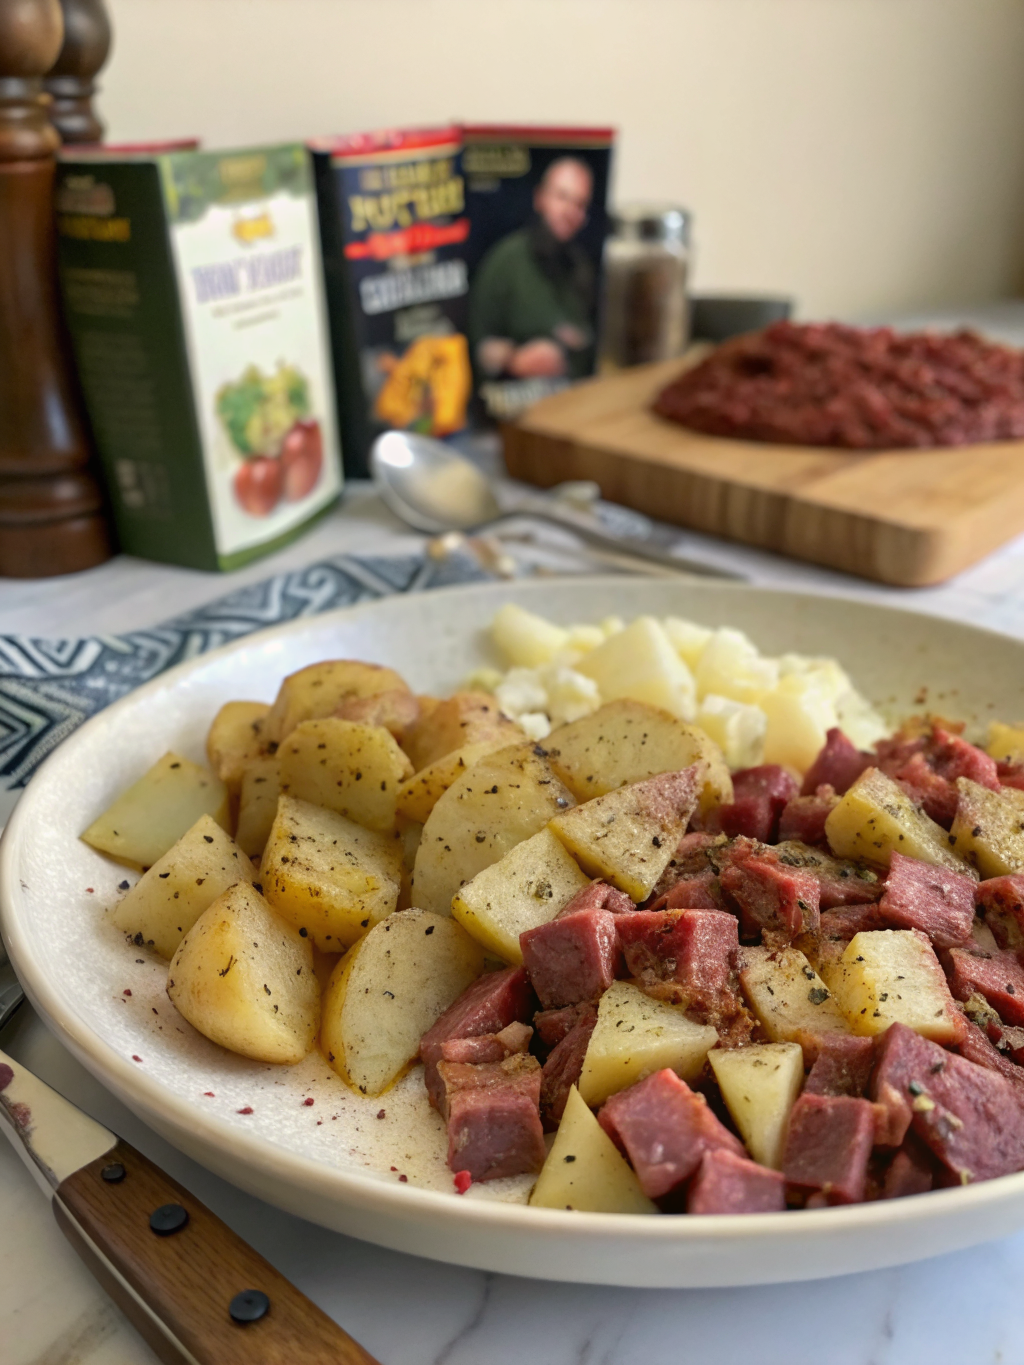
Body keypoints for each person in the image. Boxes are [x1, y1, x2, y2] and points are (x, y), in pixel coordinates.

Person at [468, 157, 597, 384]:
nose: (570, 211)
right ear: (540, 198)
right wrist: (514, 361)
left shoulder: (582, 269)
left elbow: (586, 344)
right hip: (509, 398)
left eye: (580, 204)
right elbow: (474, 345)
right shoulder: (505, 261)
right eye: (562, 197)